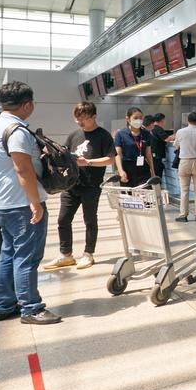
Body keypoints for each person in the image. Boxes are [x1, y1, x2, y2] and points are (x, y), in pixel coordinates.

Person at [0, 81, 60, 324]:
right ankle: (31, 308)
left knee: (8, 254)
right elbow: (23, 169)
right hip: (21, 205)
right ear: (27, 104)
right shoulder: (16, 130)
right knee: (27, 257)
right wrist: (35, 203)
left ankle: (5, 304)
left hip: (4, 203)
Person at [44, 102, 115, 271]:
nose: (80, 122)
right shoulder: (74, 135)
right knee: (63, 219)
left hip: (91, 185)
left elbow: (110, 159)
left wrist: (87, 162)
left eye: (84, 118)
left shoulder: (103, 136)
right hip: (71, 185)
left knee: (89, 220)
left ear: (94, 116)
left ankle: (88, 254)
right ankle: (66, 254)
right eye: (77, 119)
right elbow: (66, 155)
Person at [169, 111, 196, 222]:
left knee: (184, 190)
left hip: (184, 162)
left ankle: (183, 215)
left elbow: (176, 145)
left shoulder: (180, 132)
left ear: (187, 120)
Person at [114, 107, 154, 187]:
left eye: (141, 118)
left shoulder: (146, 134)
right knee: (128, 193)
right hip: (127, 168)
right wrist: (120, 171)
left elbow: (148, 154)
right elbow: (118, 154)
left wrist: (152, 170)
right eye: (135, 118)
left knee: (144, 192)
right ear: (128, 119)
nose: (138, 120)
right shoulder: (121, 134)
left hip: (143, 168)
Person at [144, 114, 168, 181]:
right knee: (156, 172)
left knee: (155, 171)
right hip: (154, 155)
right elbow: (167, 138)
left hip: (152, 155)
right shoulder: (155, 129)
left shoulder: (148, 131)